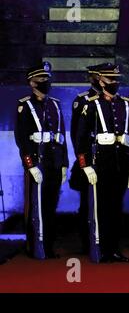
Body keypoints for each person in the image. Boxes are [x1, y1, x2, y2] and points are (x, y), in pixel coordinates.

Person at [76, 63, 129, 263]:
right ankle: (99, 248)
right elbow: (81, 138)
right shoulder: (91, 105)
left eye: (117, 80)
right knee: (99, 209)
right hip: (100, 164)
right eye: (111, 80)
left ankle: (114, 249)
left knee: (116, 208)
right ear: (101, 81)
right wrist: (85, 166)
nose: (115, 84)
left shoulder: (126, 104)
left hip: (120, 164)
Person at [14, 62, 69, 259]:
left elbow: (61, 137)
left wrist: (64, 164)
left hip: (54, 162)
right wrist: (30, 165)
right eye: (41, 79)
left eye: (47, 79)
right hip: (37, 162)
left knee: (50, 206)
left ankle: (48, 245)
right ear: (32, 82)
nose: (45, 82)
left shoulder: (55, 104)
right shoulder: (25, 106)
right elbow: (21, 138)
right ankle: (34, 246)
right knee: (35, 206)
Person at [69, 64, 103, 254]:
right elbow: (77, 134)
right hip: (89, 158)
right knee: (87, 203)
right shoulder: (83, 101)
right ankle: (86, 240)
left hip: (106, 158)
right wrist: (84, 162)